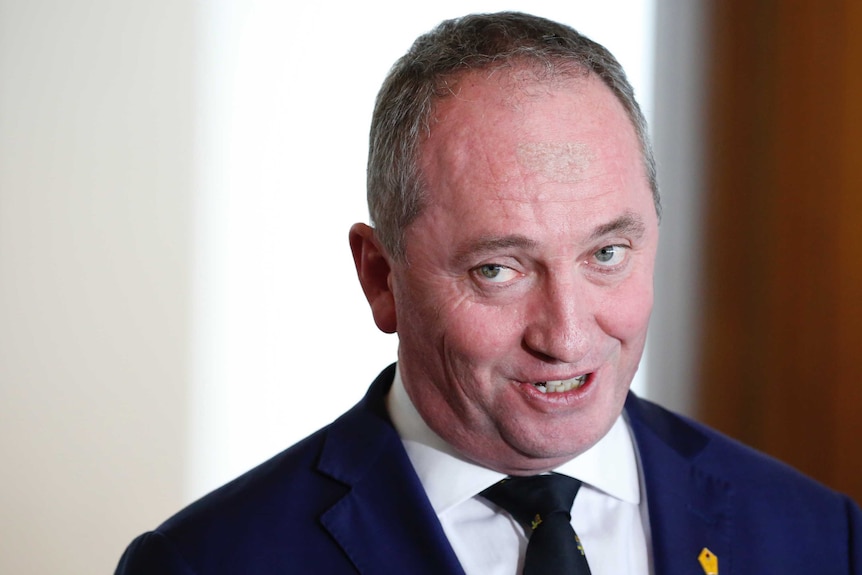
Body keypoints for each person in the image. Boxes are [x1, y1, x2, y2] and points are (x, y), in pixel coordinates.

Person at [115, 11, 861, 575]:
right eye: (498, 269)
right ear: (381, 277)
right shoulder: (205, 563)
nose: (566, 336)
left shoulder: (822, 538)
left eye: (606, 253)